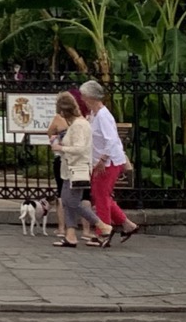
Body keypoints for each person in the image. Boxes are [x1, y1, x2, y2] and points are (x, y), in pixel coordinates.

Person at [48, 91, 113, 248]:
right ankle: (70, 235)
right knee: (67, 200)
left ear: (64, 111)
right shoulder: (78, 124)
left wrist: (60, 147)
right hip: (69, 168)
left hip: (77, 168)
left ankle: (103, 226)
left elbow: (80, 148)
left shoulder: (79, 125)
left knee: (73, 202)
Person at [79, 79, 141, 242]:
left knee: (100, 197)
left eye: (84, 96)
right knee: (101, 194)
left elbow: (112, 139)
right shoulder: (94, 114)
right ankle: (126, 224)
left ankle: (103, 232)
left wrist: (102, 159)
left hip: (108, 163)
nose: (83, 99)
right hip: (103, 161)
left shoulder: (103, 116)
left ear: (90, 97)